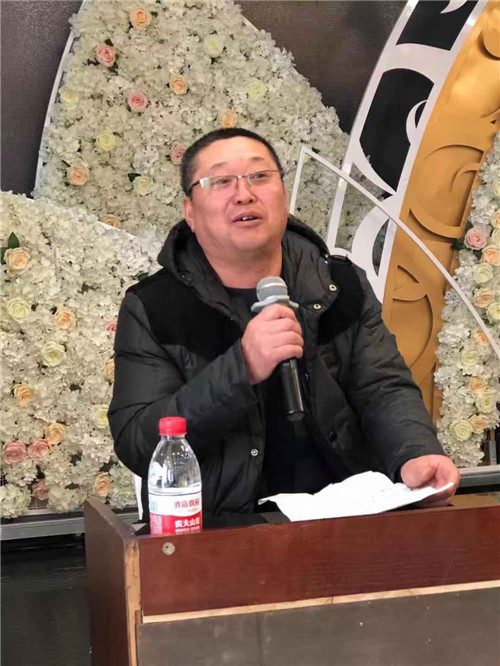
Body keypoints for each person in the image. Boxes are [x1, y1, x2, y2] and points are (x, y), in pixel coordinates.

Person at [108, 127, 459, 520]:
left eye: (260, 176)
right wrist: (242, 368)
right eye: (221, 181)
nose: (244, 193)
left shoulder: (338, 284)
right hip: (224, 530)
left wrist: (415, 453)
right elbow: (139, 442)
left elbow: (382, 387)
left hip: (348, 517)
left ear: (283, 194)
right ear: (190, 211)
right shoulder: (154, 306)